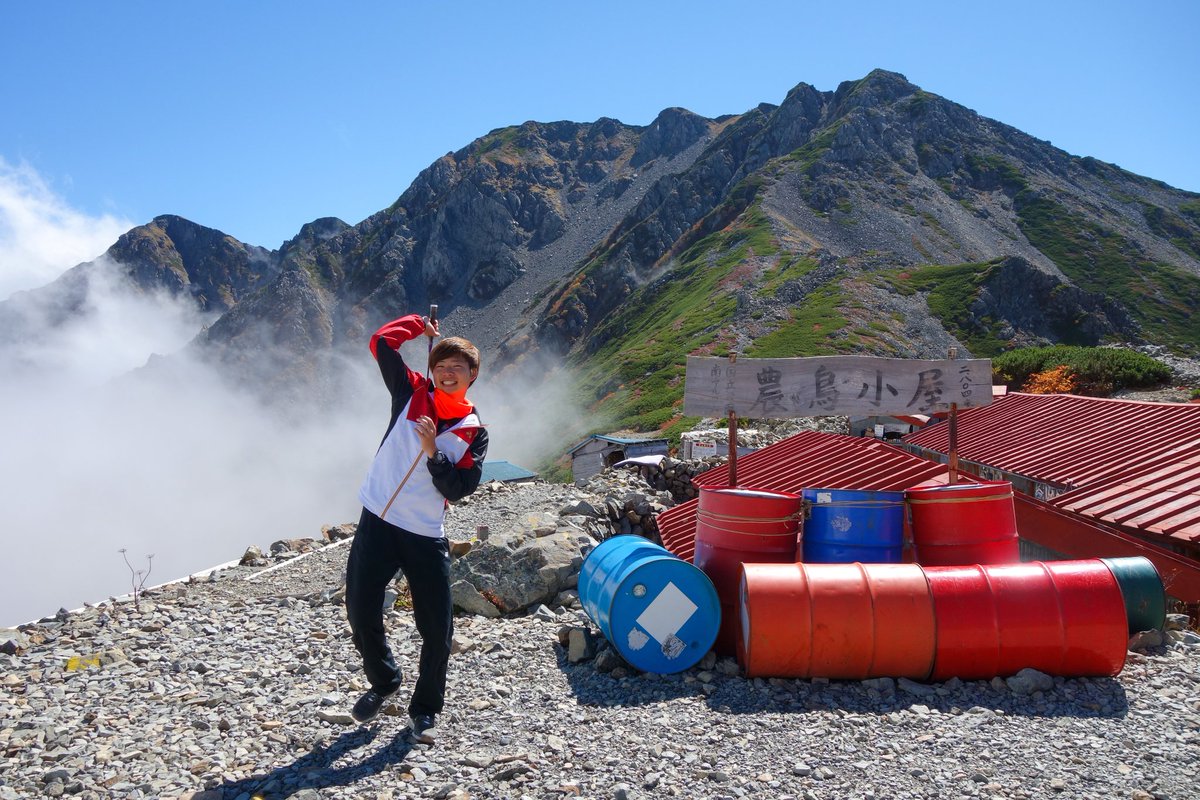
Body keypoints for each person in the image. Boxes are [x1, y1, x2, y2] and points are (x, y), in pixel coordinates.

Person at [346, 311, 488, 738]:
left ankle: (425, 707)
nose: (447, 374)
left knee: (437, 626)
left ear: (472, 375)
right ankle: (385, 680)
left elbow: (461, 487)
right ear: (432, 369)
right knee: (360, 607)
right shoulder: (409, 392)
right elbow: (380, 343)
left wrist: (432, 452)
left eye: (456, 369)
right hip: (377, 518)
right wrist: (417, 327)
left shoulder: (473, 430)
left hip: (424, 533)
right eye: (441, 367)